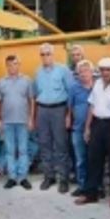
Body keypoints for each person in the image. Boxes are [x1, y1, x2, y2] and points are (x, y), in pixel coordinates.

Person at [74, 58, 110, 207]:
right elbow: (92, 106)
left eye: (108, 69)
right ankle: (91, 193)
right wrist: (88, 128)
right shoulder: (97, 84)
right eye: (102, 70)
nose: (105, 73)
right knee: (93, 159)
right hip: (97, 123)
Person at [32, 42, 74, 193]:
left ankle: (63, 178)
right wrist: (35, 116)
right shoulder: (38, 72)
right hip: (43, 110)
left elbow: (71, 93)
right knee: (44, 144)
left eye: (48, 53)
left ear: (53, 54)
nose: (45, 57)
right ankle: (49, 176)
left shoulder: (63, 70)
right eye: (42, 54)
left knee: (61, 145)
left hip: (59, 109)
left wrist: (69, 115)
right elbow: (36, 94)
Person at [0, 54, 33, 189]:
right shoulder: (1, 82)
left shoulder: (27, 80)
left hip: (23, 121)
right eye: (10, 65)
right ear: (6, 66)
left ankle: (23, 177)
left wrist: (31, 119)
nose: (12, 67)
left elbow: (31, 100)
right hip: (7, 122)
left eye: (15, 64)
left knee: (23, 150)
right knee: (9, 150)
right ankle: (12, 177)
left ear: (19, 65)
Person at [69, 60, 94, 192]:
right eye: (80, 72)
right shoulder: (74, 88)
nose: (83, 74)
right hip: (78, 129)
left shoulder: (98, 87)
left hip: (95, 129)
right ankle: (82, 186)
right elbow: (70, 107)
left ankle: (96, 186)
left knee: (95, 160)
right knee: (80, 159)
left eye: (86, 71)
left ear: (91, 72)